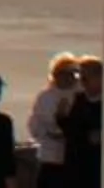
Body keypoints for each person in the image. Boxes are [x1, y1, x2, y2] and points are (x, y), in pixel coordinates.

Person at [28, 52, 82, 184]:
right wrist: (48, 133)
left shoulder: (81, 95)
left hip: (74, 159)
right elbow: (34, 126)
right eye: (62, 73)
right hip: (49, 157)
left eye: (72, 74)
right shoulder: (45, 97)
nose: (67, 78)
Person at [63, 55, 104, 187]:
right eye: (81, 78)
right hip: (75, 168)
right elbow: (71, 131)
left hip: (98, 169)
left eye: (87, 78)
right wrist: (61, 118)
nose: (83, 82)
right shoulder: (76, 100)